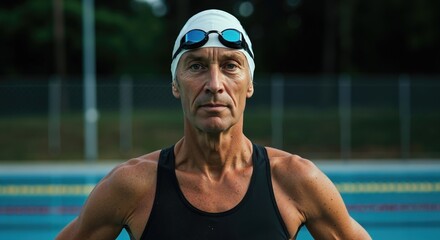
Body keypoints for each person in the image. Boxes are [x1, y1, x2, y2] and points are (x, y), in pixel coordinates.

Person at [56, 9, 371, 240]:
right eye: (196, 66)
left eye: (231, 66)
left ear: (249, 84)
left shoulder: (295, 180)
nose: (214, 84)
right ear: (175, 84)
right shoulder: (132, 185)